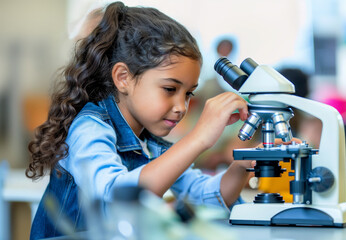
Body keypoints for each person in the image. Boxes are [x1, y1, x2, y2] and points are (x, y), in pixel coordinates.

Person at [25, 2, 252, 239]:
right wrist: (198, 138)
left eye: (188, 94)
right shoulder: (89, 129)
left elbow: (205, 198)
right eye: (169, 89)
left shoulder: (151, 144)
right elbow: (117, 199)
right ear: (123, 78)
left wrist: (245, 164)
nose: (181, 107)